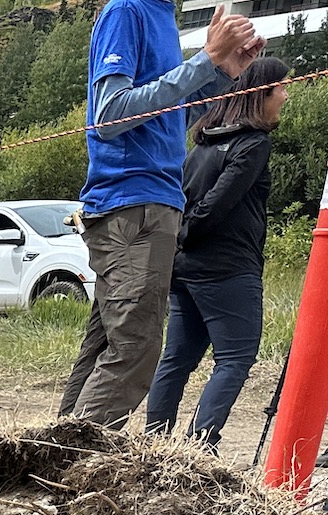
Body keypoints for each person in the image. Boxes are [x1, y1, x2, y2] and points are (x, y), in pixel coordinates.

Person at [59, 3, 261, 429]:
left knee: (107, 346)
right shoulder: (128, 9)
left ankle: (51, 455)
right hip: (133, 205)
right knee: (135, 348)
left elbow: (170, 117)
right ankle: (73, 455)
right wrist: (205, 59)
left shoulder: (161, 15)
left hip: (146, 205)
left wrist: (222, 72)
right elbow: (110, 114)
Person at [143, 56, 289, 452]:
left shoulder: (202, 144)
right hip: (227, 268)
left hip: (185, 267)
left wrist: (179, 241)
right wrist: (187, 233)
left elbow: (184, 198)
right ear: (262, 93)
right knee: (236, 357)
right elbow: (218, 203)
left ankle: (152, 444)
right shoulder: (253, 144)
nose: (285, 96)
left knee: (177, 358)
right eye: (282, 88)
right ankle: (198, 447)